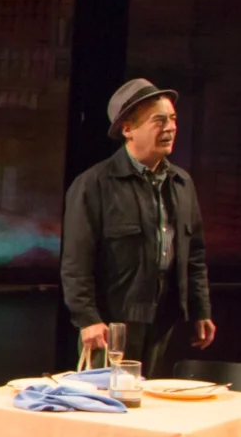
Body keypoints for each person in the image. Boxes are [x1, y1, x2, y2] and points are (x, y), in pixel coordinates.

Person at [61, 78, 215, 381]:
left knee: (155, 410)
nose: (170, 127)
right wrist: (87, 319)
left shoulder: (181, 184)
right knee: (108, 412)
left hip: (166, 321)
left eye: (173, 119)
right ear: (128, 129)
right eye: (159, 120)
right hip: (112, 324)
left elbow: (194, 255)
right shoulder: (94, 185)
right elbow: (76, 261)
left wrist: (201, 310)